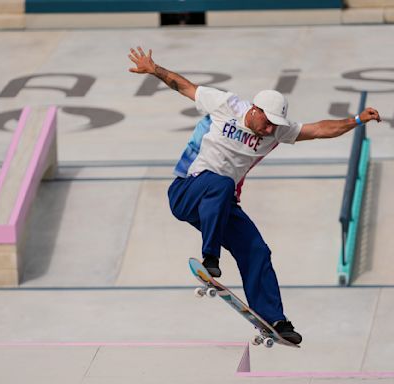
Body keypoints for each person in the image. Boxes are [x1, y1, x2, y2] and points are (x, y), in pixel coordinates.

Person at [128, 46, 381, 345]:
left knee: (257, 249)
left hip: (219, 205)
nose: (270, 129)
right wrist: (154, 68)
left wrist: (357, 120)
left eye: (275, 125)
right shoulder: (226, 104)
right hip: (187, 191)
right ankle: (211, 256)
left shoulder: (276, 132)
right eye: (267, 122)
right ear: (254, 110)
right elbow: (184, 86)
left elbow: (319, 130)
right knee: (221, 183)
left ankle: (274, 318)